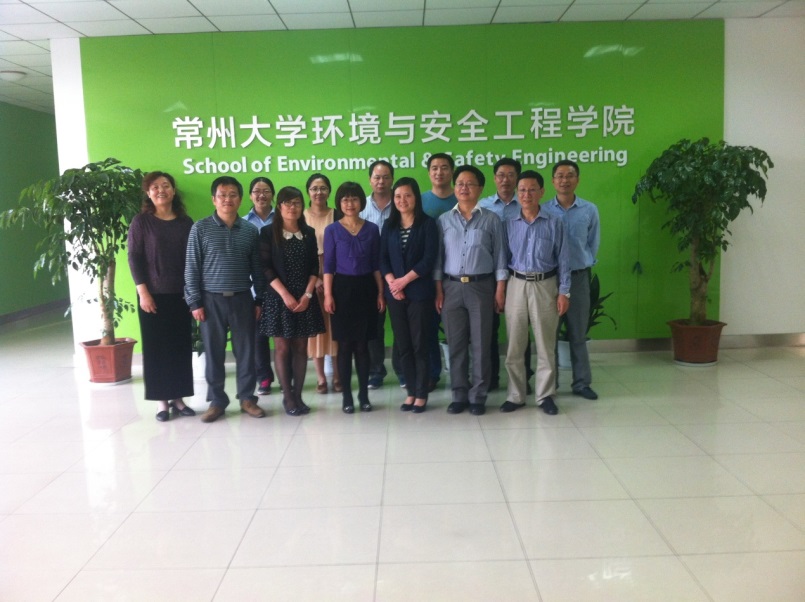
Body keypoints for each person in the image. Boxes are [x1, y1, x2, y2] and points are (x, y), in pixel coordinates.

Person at [184, 176, 266, 423]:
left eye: (232, 195)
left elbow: (257, 269)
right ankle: (217, 401)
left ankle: (247, 398)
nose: (227, 199)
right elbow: (191, 267)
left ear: (240, 199)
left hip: (242, 299)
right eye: (222, 195)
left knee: (246, 351)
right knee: (214, 352)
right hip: (211, 301)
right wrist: (195, 302)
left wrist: (259, 300)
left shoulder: (250, 231)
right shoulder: (200, 228)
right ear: (214, 199)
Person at [435, 165, 507, 416]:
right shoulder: (443, 220)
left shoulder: (492, 219)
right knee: (455, 344)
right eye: (460, 183)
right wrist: (438, 290)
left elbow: (500, 257)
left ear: (480, 188)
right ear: (454, 188)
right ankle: (459, 394)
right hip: (451, 287)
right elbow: (438, 259)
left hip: (482, 287)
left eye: (470, 184)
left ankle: (478, 396)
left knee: (481, 344)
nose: (464, 188)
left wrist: (500, 290)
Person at [501, 170, 570, 416]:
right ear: (516, 193)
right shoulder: (508, 223)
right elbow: (502, 259)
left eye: (532, 190)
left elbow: (564, 260)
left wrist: (564, 292)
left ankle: (545, 396)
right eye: (522, 190)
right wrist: (501, 289)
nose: (526, 194)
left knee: (545, 344)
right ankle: (516, 395)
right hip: (516, 284)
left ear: (542, 192)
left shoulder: (554, 222)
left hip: (545, 285)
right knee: (515, 345)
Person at [127, 171, 195, 421]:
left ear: (173, 191)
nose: (161, 190)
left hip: (181, 295)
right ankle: (162, 403)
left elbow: (192, 259)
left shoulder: (185, 222)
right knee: (157, 349)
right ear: (148, 193)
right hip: (152, 295)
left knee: (180, 347)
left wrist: (193, 293)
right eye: (154, 187)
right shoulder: (141, 222)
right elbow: (134, 257)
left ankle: (179, 399)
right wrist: (143, 292)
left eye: (165, 186)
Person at [259, 186, 325, 416]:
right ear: (279, 207)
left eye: (296, 203)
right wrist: (285, 295)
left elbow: (314, 267)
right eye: (287, 203)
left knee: (300, 347)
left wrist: (307, 295)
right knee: (283, 347)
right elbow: (265, 268)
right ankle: (287, 396)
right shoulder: (268, 232)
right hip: (279, 297)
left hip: (304, 297)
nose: (292, 207)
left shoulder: (308, 232)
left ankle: (298, 395)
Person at [323, 182, 385, 414]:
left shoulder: (372, 229)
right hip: (341, 290)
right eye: (345, 199)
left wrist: (381, 292)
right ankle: (347, 396)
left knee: (363, 346)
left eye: (354, 199)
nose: (350, 203)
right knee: (345, 346)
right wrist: (328, 294)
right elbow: (328, 266)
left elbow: (377, 264)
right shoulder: (332, 230)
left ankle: (364, 396)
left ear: (361, 202)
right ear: (339, 203)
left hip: (367, 288)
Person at [543, 160, 601, 400]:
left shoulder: (589, 210)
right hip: (550, 280)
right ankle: (550, 385)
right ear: (553, 181)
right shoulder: (543, 210)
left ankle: (581, 383)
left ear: (577, 179)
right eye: (559, 176)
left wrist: (581, 264)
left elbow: (592, 244)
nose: (564, 180)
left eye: (569, 175)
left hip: (578, 278)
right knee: (549, 336)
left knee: (578, 333)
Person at [380, 177, 439, 413]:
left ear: (416, 198)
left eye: (407, 195)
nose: (402, 200)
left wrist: (404, 281)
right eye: (398, 196)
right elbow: (382, 258)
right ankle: (411, 392)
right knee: (403, 345)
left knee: (419, 344)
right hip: (395, 294)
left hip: (420, 293)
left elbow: (429, 258)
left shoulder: (427, 224)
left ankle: (422, 394)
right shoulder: (389, 225)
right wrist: (392, 283)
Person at [478, 157, 533, 393]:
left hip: (519, 273)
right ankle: (491, 378)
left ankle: (523, 378)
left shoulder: (527, 204)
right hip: (488, 274)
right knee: (488, 328)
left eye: (511, 175)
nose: (505, 180)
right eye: (501, 175)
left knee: (520, 329)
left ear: (517, 178)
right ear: (494, 178)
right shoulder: (483, 206)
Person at [304, 173, 342, 394]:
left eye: (323, 188)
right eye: (314, 188)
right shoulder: (300, 216)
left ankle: (337, 376)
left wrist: (329, 278)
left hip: (335, 276)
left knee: (336, 327)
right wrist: (315, 277)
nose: (319, 192)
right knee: (315, 329)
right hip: (309, 278)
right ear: (308, 192)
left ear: (329, 191)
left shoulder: (337, 214)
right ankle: (320, 378)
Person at [359, 160, 396, 390]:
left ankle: (403, 370)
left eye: (385, 177)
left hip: (398, 274)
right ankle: (376, 371)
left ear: (392, 179)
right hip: (370, 275)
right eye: (376, 177)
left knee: (402, 325)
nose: (381, 181)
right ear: (370, 179)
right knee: (374, 326)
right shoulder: (361, 206)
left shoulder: (401, 202)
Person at [244, 176, 276, 396]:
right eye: (257, 191)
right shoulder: (243, 223)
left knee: (285, 335)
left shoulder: (284, 218)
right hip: (254, 288)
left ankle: (287, 375)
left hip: (282, 286)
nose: (261, 195)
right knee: (258, 336)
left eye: (266, 191)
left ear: (272, 194)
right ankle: (263, 377)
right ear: (250, 195)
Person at [421, 153, 457, 219]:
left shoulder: (462, 198)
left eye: (444, 168)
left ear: (452, 172)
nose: (439, 172)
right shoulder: (419, 200)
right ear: (429, 173)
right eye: (435, 168)